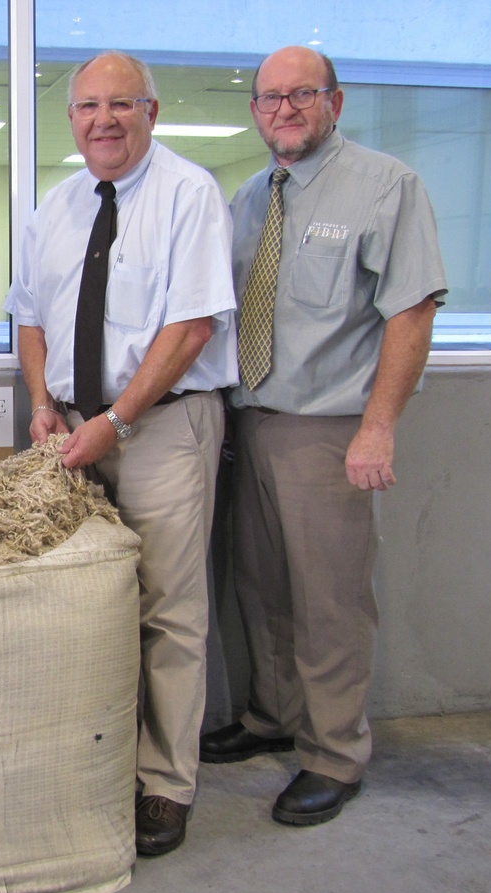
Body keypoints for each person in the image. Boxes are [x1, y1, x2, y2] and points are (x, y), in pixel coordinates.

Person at [200, 46, 446, 826]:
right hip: (250, 421)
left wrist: (377, 430)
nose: (284, 111)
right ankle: (274, 718)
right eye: (269, 99)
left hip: (330, 430)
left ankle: (335, 754)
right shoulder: (247, 197)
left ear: (334, 101)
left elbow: (411, 314)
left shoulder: (385, 186)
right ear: (255, 112)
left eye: (302, 95)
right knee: (262, 587)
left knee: (330, 601)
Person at [6, 51, 238, 856]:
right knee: (82, 602)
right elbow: (30, 317)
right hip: (70, 431)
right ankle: (97, 759)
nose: (102, 120)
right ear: (70, 118)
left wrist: (117, 420)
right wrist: (42, 403)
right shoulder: (58, 206)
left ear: (152, 111)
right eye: (87, 107)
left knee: (168, 609)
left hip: (161, 430)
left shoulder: (188, 195)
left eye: (120, 105)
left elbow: (192, 327)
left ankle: (166, 782)